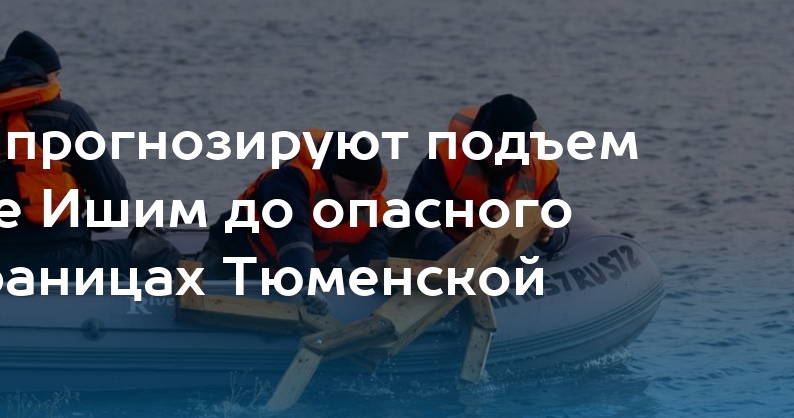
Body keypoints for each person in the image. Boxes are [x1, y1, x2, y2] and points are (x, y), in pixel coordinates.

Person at [0, 31, 178, 271]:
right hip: (69, 261)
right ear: (42, 76)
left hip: (1, 265)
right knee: (159, 251)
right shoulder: (67, 117)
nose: (58, 84)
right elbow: (114, 201)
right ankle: (192, 303)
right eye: (56, 76)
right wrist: (94, 221)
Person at [199, 130, 391, 311]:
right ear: (334, 175)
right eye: (358, 187)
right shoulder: (289, 181)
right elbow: (292, 232)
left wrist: (390, 281)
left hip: (303, 269)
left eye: (370, 190)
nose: (364, 198)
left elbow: (372, 252)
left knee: (354, 282)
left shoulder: (373, 207)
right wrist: (306, 282)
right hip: (238, 253)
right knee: (203, 275)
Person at [395, 94, 569, 261]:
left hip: (501, 258)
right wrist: (454, 259)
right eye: (496, 148)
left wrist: (549, 235)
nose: (501, 158)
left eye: (509, 152)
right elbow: (416, 217)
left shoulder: (541, 172)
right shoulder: (445, 159)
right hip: (445, 248)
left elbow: (560, 222)